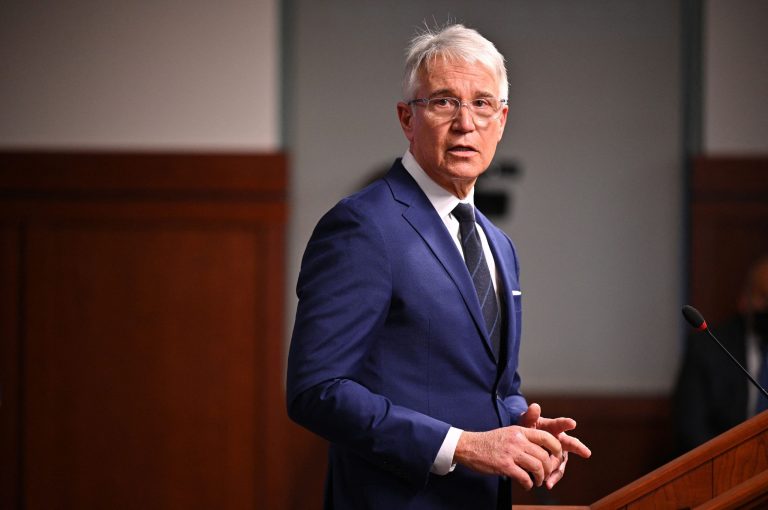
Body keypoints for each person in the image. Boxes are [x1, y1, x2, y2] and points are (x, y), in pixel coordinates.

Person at [286, 24, 591, 509]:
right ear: (407, 118)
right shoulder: (362, 226)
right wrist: (463, 445)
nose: (465, 122)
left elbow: (494, 385)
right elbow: (316, 390)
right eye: (444, 102)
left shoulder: (498, 243)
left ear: (502, 120)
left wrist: (522, 429)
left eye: (482, 104)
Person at [674, 256, 768, 453]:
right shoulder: (709, 347)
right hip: (728, 467)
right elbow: (691, 426)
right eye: (764, 297)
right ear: (745, 298)